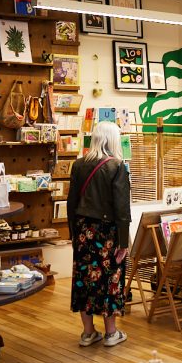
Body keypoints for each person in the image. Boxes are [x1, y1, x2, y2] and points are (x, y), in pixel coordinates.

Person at [67, 121, 131, 348]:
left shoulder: (78, 165)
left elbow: (71, 203)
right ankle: (111, 333)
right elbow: (122, 209)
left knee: (84, 280)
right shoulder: (117, 167)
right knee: (109, 279)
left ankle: (87, 333)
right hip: (108, 233)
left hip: (84, 231)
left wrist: (74, 234)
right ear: (113, 139)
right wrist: (124, 242)